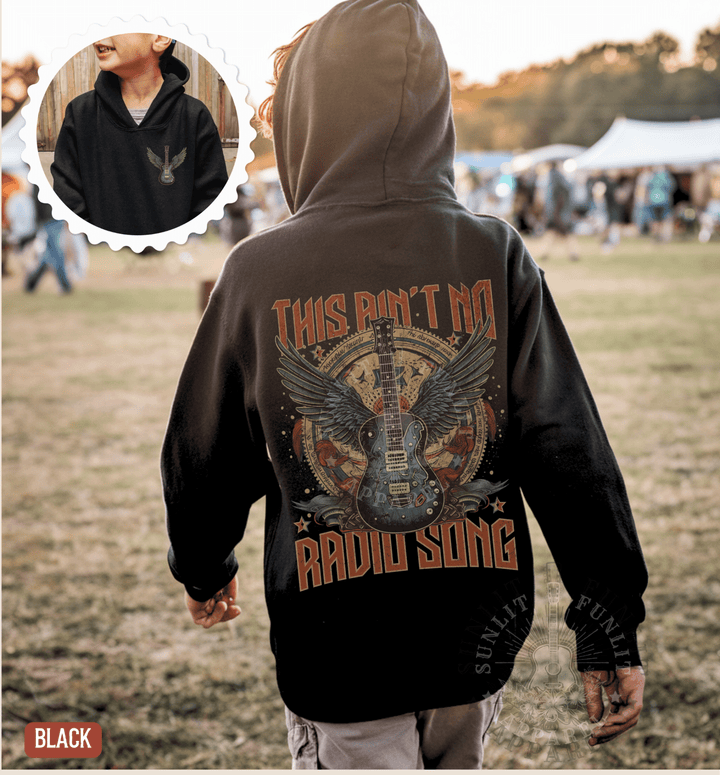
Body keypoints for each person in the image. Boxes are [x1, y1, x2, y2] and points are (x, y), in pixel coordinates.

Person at [162, 1, 647, 768]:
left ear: (307, 117)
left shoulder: (257, 272)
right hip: (473, 638)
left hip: (338, 650)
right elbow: (568, 447)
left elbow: (201, 452)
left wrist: (203, 563)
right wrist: (608, 613)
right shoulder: (494, 252)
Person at [50, 34, 228, 235]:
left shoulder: (193, 115)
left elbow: (211, 195)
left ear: (160, 39)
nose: (99, 38)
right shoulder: (81, 113)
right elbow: (67, 194)